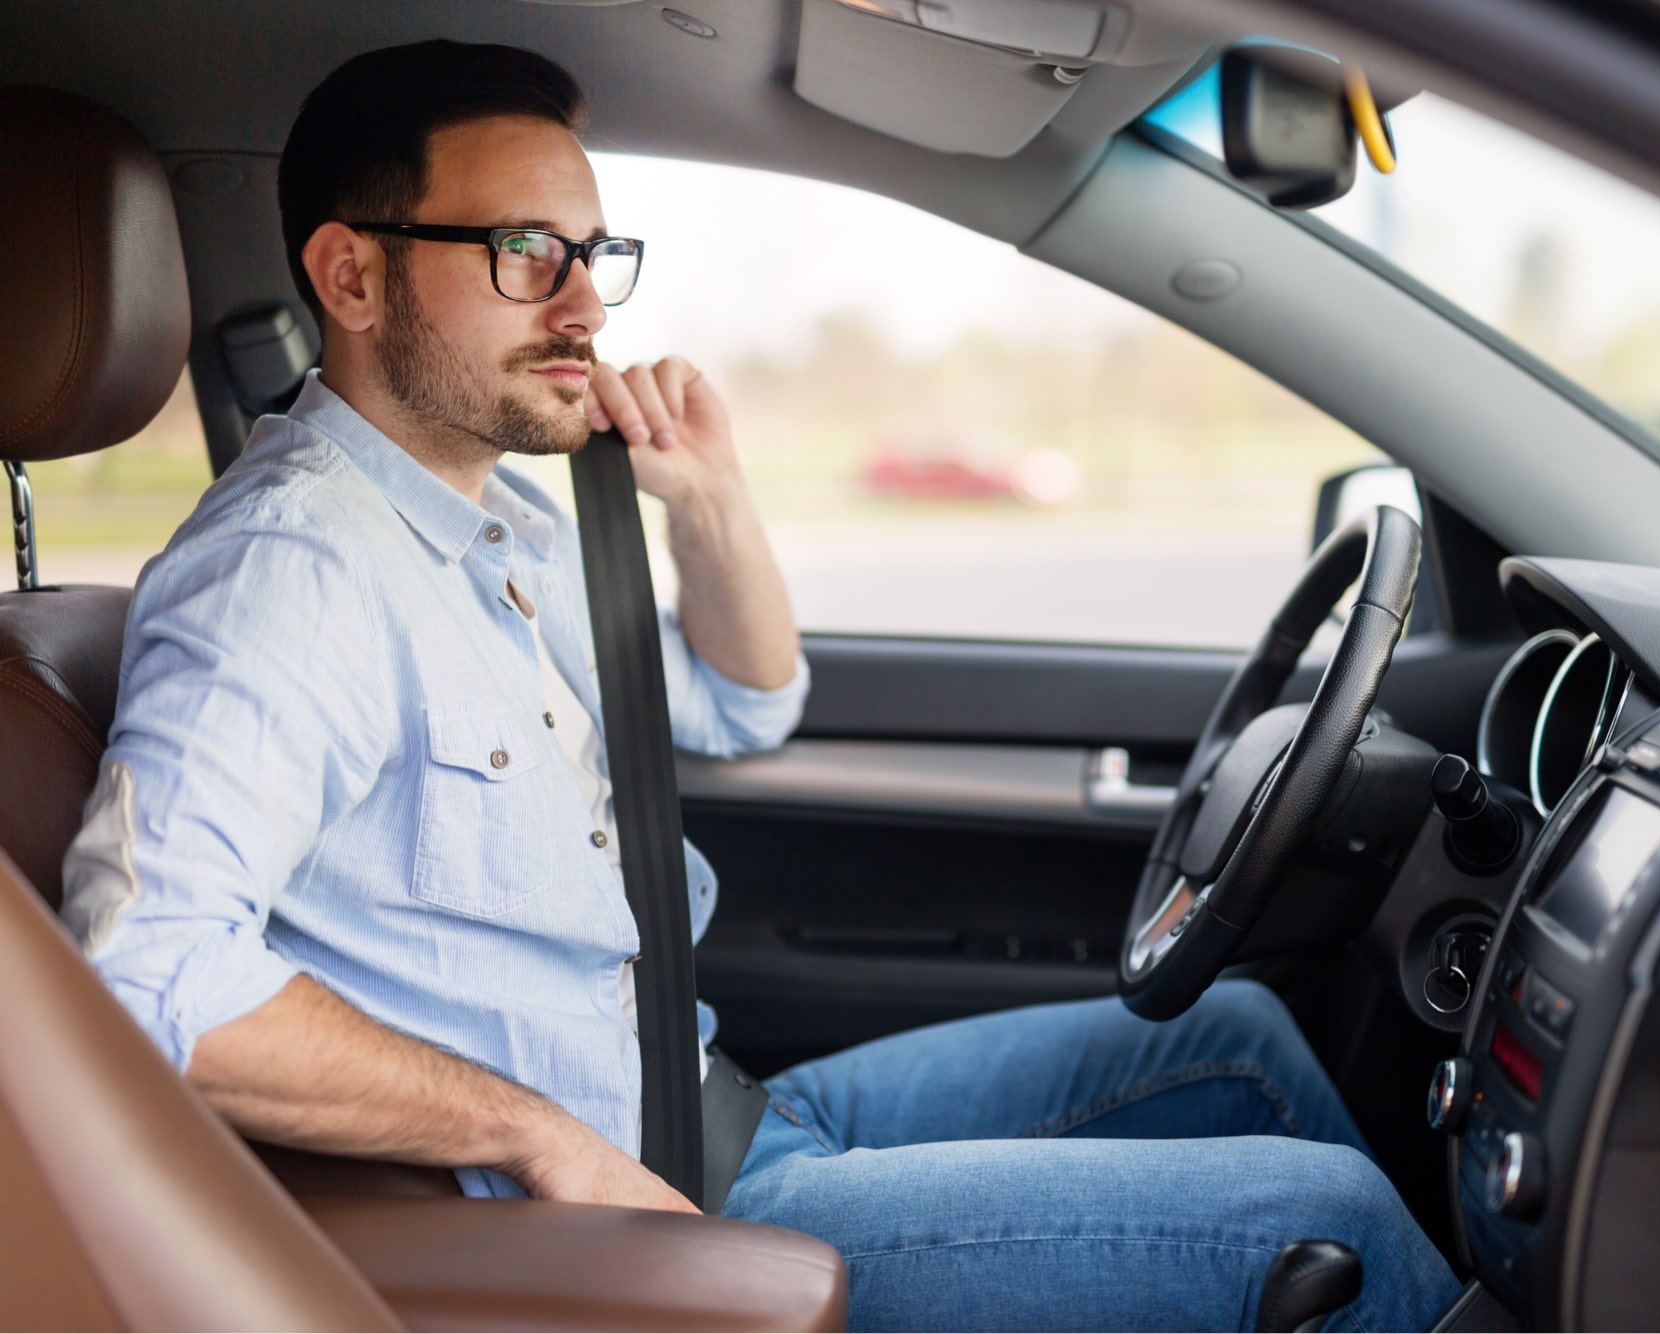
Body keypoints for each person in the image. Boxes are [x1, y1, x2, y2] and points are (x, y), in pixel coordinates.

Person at [62, 39, 1459, 1331]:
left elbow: (744, 704)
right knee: (1318, 1223)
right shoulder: (290, 573)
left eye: (596, 253)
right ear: (353, 278)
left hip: (720, 1110)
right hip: (634, 1213)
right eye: (525, 252)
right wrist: (534, 1133)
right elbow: (148, 980)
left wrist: (709, 495)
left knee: (1240, 1035)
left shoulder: (479, 526)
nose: (583, 306)